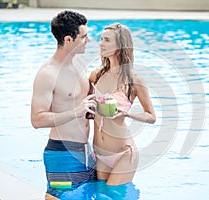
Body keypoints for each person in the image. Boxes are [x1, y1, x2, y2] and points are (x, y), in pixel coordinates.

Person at [30, 10, 97, 197]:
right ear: (68, 39)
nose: (88, 40)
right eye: (84, 36)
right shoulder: (48, 74)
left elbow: (82, 105)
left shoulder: (80, 65)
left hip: (85, 151)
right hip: (62, 154)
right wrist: (76, 112)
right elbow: (37, 120)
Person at [89, 23, 156, 188]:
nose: (100, 43)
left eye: (106, 40)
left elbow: (151, 116)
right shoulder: (96, 75)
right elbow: (86, 108)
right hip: (100, 152)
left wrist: (128, 114)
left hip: (123, 153)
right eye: (101, 39)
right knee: (101, 195)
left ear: (119, 46)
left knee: (113, 194)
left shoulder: (134, 80)